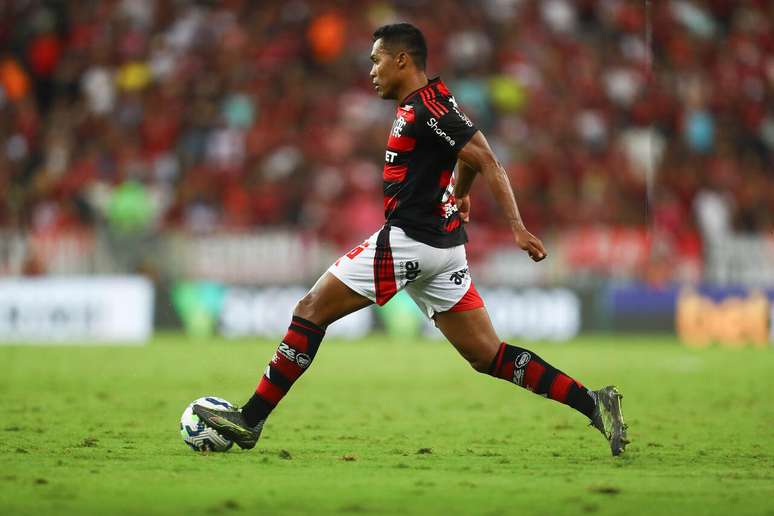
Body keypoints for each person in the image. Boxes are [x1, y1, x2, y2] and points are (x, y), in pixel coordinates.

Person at [194, 23, 629, 456]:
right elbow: (472, 151)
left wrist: (516, 225)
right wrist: (459, 193)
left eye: (376, 59)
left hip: (408, 243)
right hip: (443, 249)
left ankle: (249, 420)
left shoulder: (427, 109)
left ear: (402, 59)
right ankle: (593, 403)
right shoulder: (431, 103)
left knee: (309, 311)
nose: (372, 70)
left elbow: (489, 160)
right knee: (488, 355)